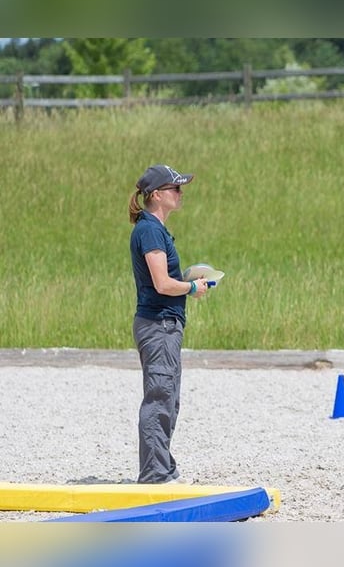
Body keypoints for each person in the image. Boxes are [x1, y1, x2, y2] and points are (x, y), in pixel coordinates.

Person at [128, 164, 209, 484]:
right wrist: (191, 287)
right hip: (158, 324)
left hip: (165, 324)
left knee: (168, 398)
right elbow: (162, 283)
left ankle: (163, 467)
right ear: (157, 195)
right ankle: (154, 474)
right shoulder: (149, 230)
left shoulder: (155, 229)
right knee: (160, 397)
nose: (180, 192)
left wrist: (187, 281)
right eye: (175, 188)